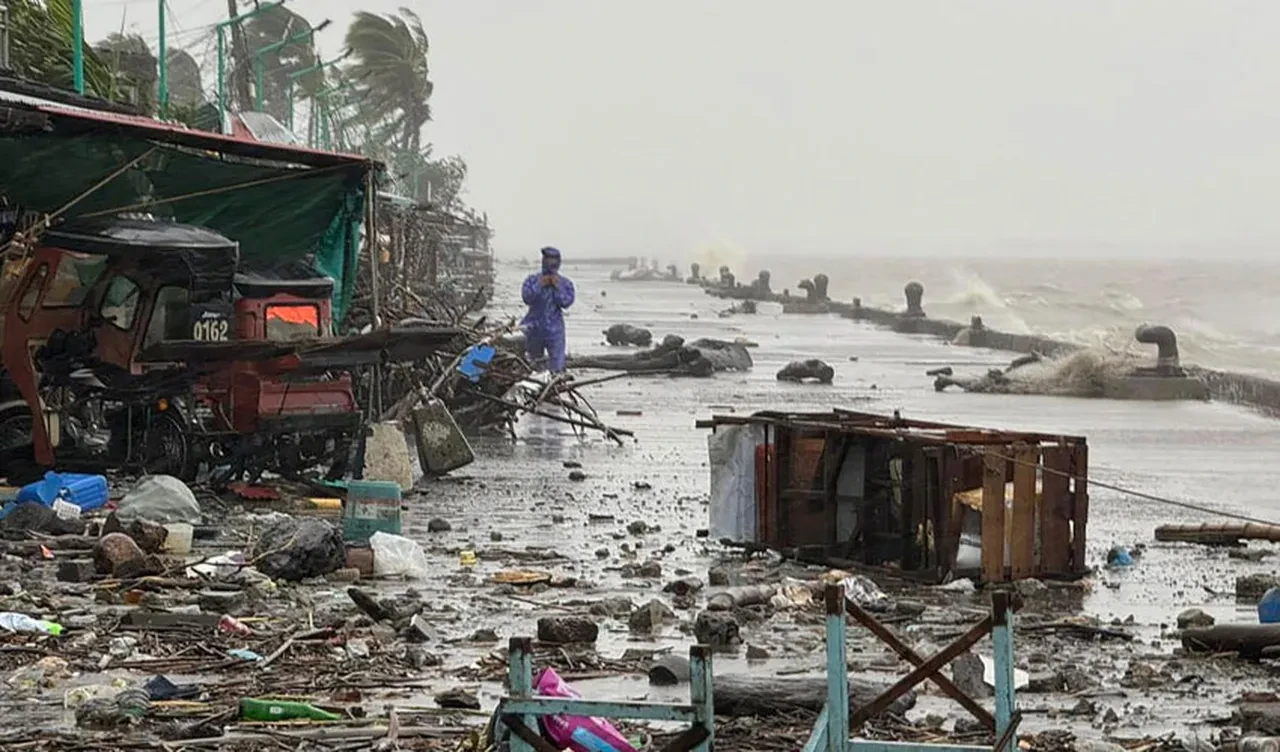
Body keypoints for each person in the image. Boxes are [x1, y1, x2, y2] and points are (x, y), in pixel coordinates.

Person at [521, 246, 575, 372]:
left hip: (555, 329)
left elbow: (566, 302)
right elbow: (527, 298)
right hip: (533, 326)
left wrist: (557, 287)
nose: (550, 262)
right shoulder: (532, 280)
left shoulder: (565, 283)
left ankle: (554, 386)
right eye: (547, 259)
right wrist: (540, 285)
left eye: (553, 259)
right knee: (533, 365)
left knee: (557, 365)